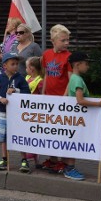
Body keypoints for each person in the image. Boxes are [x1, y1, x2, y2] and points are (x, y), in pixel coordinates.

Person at [61, 51, 101, 180]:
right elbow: (80, 100)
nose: (88, 67)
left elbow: (64, 97)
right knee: (73, 141)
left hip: (72, 117)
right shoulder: (77, 80)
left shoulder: (73, 79)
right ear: (77, 64)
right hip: (77, 117)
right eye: (86, 64)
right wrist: (98, 104)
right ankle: (70, 168)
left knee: (70, 141)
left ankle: (66, 166)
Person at [39, 24, 72, 172]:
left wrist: (64, 98)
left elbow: (71, 79)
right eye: (63, 40)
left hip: (62, 99)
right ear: (54, 40)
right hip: (49, 98)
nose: (67, 43)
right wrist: (43, 94)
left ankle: (63, 160)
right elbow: (46, 74)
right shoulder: (46, 54)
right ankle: (52, 159)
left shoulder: (68, 56)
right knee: (50, 131)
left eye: (67, 40)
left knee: (62, 131)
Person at [0, 53, 30, 171]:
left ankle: (24, 160)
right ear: (5, 65)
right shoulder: (0, 78)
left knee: (19, 136)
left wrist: (15, 91)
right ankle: (4, 158)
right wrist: (0, 99)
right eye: (12, 64)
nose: (15, 66)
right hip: (3, 112)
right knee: (4, 137)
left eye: (17, 64)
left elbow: (27, 93)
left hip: (17, 114)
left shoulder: (20, 78)